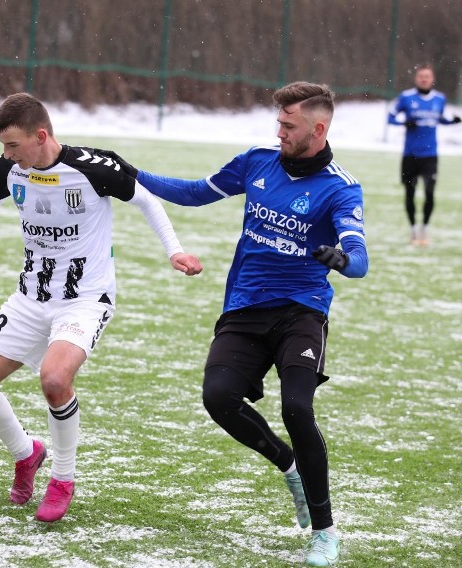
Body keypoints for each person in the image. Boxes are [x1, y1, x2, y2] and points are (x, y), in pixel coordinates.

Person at [113, 82, 368, 566]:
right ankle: (288, 465)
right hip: (245, 308)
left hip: (302, 311)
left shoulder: (340, 187)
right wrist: (133, 175)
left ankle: (325, 531)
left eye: (288, 125)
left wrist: (340, 258)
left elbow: (360, 260)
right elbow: (193, 194)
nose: (279, 132)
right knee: (218, 398)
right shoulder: (257, 160)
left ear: (317, 129)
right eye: (278, 122)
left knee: (297, 407)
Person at [0, 92, 202, 522]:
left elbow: (148, 201)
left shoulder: (94, 168)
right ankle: (26, 453)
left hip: (85, 301)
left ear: (41, 136)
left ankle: (63, 478)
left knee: (54, 379)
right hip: (29, 298)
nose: (7, 156)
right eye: (3, 147)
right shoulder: (11, 168)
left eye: (13, 146)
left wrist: (174, 251)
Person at [387, 64, 462, 246]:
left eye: (427, 77)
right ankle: (413, 229)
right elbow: (390, 118)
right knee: (410, 193)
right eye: (421, 76)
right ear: (416, 79)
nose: (424, 79)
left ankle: (424, 229)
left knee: (429, 192)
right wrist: (405, 124)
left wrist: (452, 121)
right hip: (410, 155)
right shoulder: (406, 97)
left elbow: (439, 119)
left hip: (430, 156)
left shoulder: (439, 99)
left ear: (432, 79)